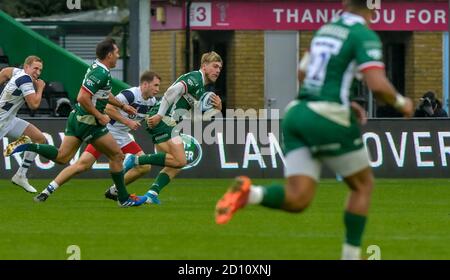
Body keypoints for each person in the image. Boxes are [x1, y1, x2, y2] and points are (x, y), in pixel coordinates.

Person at [214, 0, 414, 260]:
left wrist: (343, 98)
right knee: (363, 185)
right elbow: (377, 85)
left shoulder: (326, 30)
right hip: (326, 116)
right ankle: (350, 257)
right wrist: (402, 103)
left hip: (297, 113)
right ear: (374, 5)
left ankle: (249, 193)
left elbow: (302, 73)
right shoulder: (363, 34)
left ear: (344, 3)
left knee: (298, 199)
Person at [4, 38, 148, 207]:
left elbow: (103, 94)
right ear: (109, 55)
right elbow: (82, 97)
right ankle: (123, 198)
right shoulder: (100, 73)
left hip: (78, 118)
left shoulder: (98, 68)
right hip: (90, 122)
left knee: (62, 157)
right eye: (116, 53)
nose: (118, 55)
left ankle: (28, 146)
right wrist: (100, 116)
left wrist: (123, 105)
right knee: (116, 155)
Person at [104, 51, 223, 204]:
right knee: (181, 160)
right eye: (215, 66)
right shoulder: (194, 78)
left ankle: (149, 194)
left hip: (167, 122)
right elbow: (170, 92)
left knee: (175, 164)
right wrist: (160, 115)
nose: (218, 70)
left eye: (220, 67)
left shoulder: (200, 88)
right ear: (204, 66)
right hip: (163, 120)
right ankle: (135, 160)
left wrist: (216, 109)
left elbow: (195, 118)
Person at [33, 71, 161, 202]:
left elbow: (149, 119)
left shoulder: (151, 102)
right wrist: (126, 121)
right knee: (82, 165)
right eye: (155, 85)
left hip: (122, 136)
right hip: (106, 133)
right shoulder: (130, 94)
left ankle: (114, 190)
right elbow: (107, 108)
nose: (157, 89)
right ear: (145, 84)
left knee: (145, 166)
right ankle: (48, 190)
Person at [0, 56, 47, 193]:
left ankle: (20, 175)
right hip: (2, 122)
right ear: (26, 67)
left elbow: (4, 72)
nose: (38, 72)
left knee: (40, 139)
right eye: (35, 68)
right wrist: (40, 88)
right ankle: (18, 145)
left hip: (9, 120)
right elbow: (33, 105)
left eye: (40, 70)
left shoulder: (18, 72)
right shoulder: (25, 79)